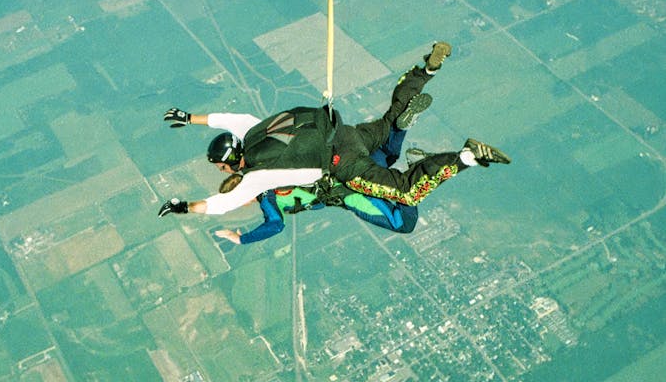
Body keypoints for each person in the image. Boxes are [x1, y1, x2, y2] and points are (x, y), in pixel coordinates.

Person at [158, 42, 510, 219]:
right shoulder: (252, 131)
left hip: (343, 160)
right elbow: (229, 117)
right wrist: (190, 118)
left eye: (222, 167)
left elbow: (223, 203)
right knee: (389, 123)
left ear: (232, 162)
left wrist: (182, 207)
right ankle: (425, 72)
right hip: (344, 131)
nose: (223, 172)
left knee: (405, 192)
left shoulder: (256, 175)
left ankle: (466, 156)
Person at [215, 125, 420, 245]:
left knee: (402, 223)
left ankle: (416, 168)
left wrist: (242, 239)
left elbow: (275, 224)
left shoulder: (267, 196)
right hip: (341, 166)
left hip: (349, 191)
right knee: (386, 157)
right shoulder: (267, 171)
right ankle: (399, 127)